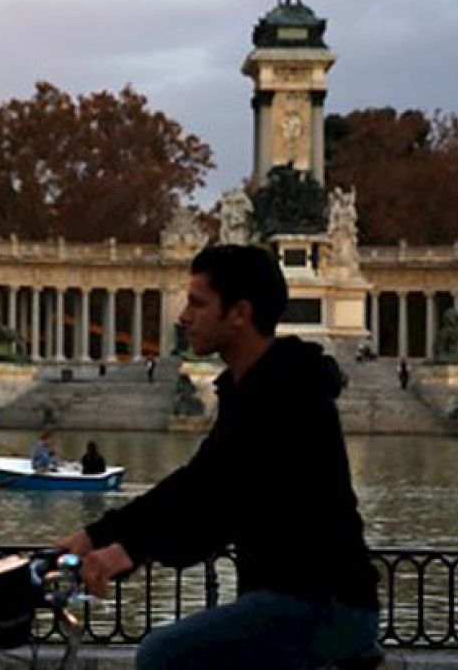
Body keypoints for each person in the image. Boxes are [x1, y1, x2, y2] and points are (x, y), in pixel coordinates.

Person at [56, 244, 381, 669]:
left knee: (161, 655)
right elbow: (196, 483)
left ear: (239, 313)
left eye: (197, 302)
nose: (183, 317)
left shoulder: (287, 396)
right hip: (295, 597)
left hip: (323, 602)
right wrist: (96, 535)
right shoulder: (252, 386)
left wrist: (126, 552)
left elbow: (226, 499)